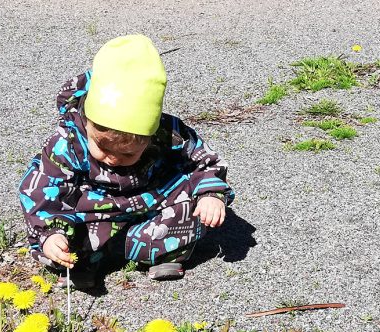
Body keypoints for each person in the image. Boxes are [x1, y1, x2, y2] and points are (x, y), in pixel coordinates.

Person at [18, 34, 233, 289]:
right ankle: (82, 262)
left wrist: (210, 193)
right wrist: (50, 232)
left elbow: (202, 161)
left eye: (128, 154)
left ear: (151, 135)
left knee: (194, 211)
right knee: (57, 244)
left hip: (148, 206)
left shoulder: (169, 135)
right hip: (92, 216)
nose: (113, 158)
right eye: (102, 147)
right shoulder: (68, 142)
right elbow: (41, 188)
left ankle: (160, 251)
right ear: (87, 121)